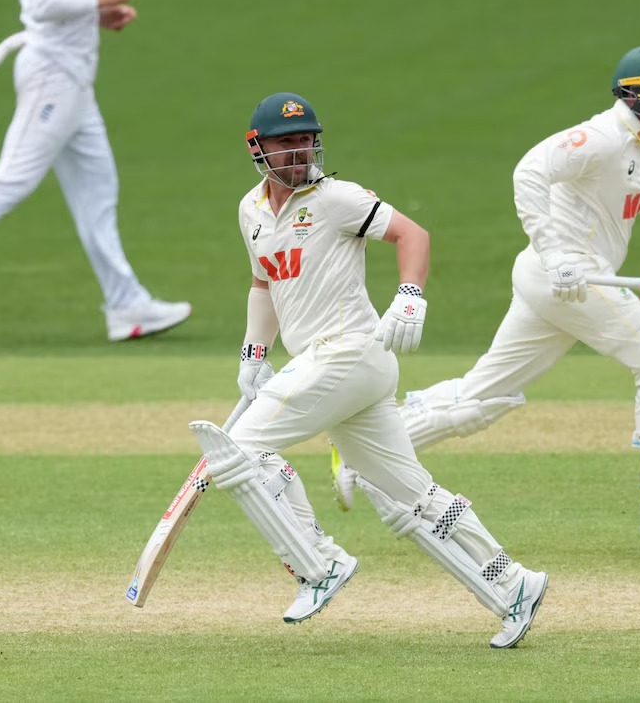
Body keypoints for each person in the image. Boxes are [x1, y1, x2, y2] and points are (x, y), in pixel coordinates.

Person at [188, 92, 548, 649]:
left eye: (307, 140)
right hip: (337, 367)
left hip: (348, 352)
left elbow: (413, 235)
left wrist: (410, 295)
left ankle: (318, 562)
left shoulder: (337, 198)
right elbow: (264, 283)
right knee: (412, 494)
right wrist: (253, 354)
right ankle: (513, 583)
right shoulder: (250, 211)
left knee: (240, 451)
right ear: (257, 148)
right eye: (287, 143)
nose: (300, 151)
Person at [332, 45, 640, 539]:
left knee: (484, 397)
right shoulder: (600, 138)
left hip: (566, 283)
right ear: (635, 94)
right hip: (566, 275)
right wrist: (554, 253)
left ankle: (361, 453)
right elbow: (529, 171)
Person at [0, 0, 191, 341]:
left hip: (73, 81)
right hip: (52, 79)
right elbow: (43, 5)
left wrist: (94, 16)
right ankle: (127, 303)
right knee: (13, 178)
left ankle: (127, 304)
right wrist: (96, 4)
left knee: (98, 194)